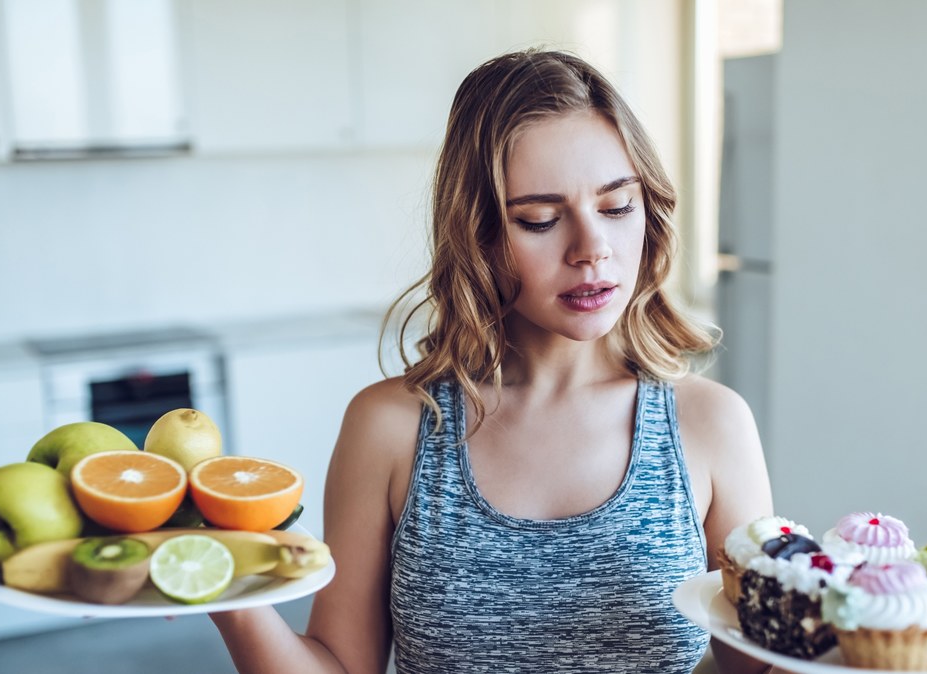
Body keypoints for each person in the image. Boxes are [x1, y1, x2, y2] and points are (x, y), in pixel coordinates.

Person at [210, 48, 774, 674]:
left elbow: (756, 666)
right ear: (476, 232)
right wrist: (227, 589)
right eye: (539, 220)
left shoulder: (711, 425)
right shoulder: (393, 427)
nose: (593, 250)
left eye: (617, 208)